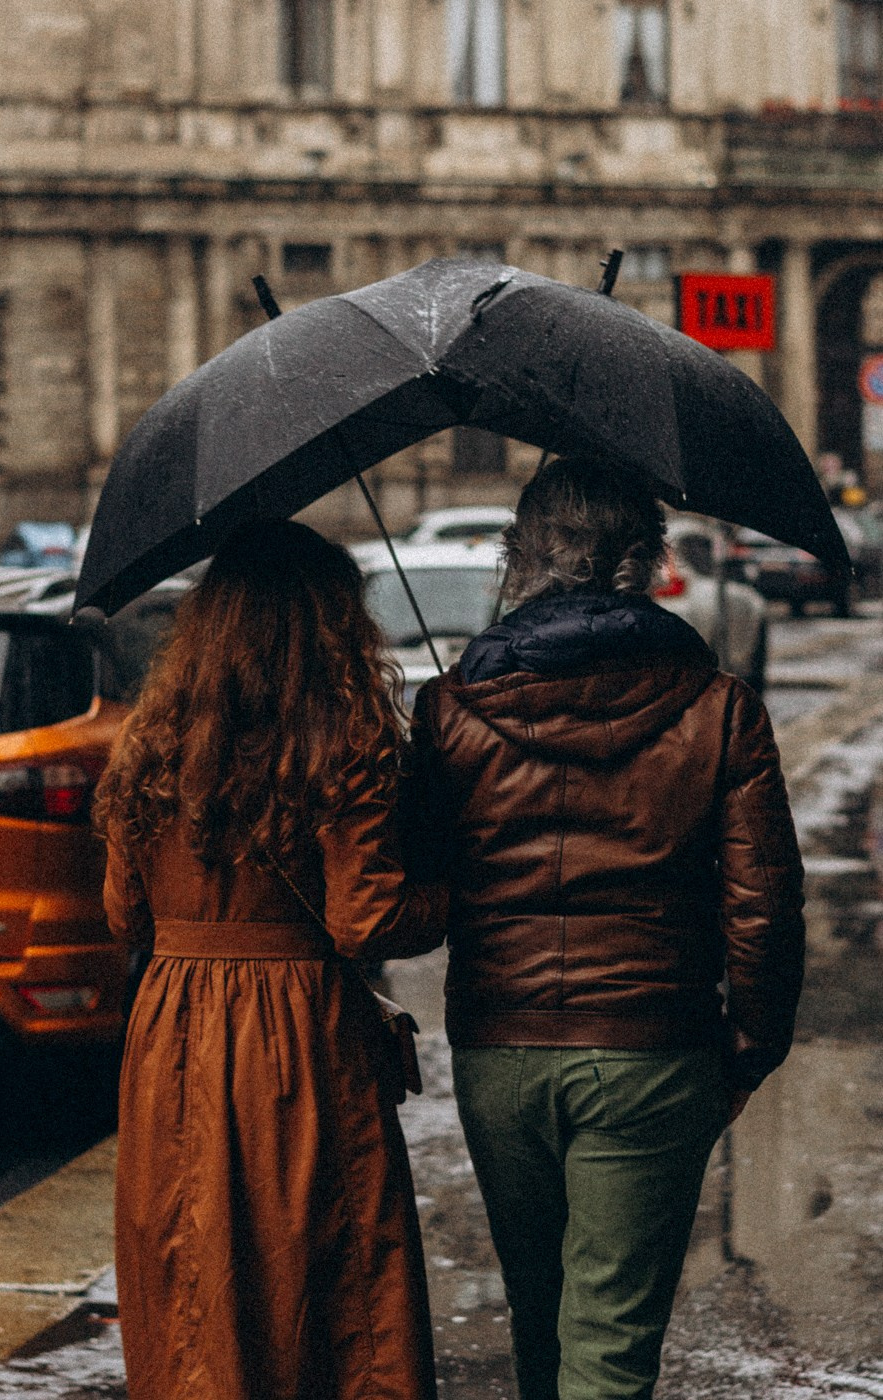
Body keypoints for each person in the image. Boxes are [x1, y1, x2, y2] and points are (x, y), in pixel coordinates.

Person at [406, 457, 805, 1400]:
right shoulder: (719, 711)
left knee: (538, 1317)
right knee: (611, 1339)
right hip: (651, 1049)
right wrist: (749, 1046)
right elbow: (762, 905)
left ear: (519, 557)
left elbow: (415, 892)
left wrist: (436, 747)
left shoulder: (451, 710)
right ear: (648, 563)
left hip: (499, 1048)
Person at [96, 519, 446, 1400]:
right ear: (330, 625)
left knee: (190, 1273)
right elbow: (365, 922)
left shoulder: (150, 741)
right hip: (298, 1035)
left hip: (172, 1030)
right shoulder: (345, 739)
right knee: (325, 1283)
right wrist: (446, 886)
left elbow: (122, 914)